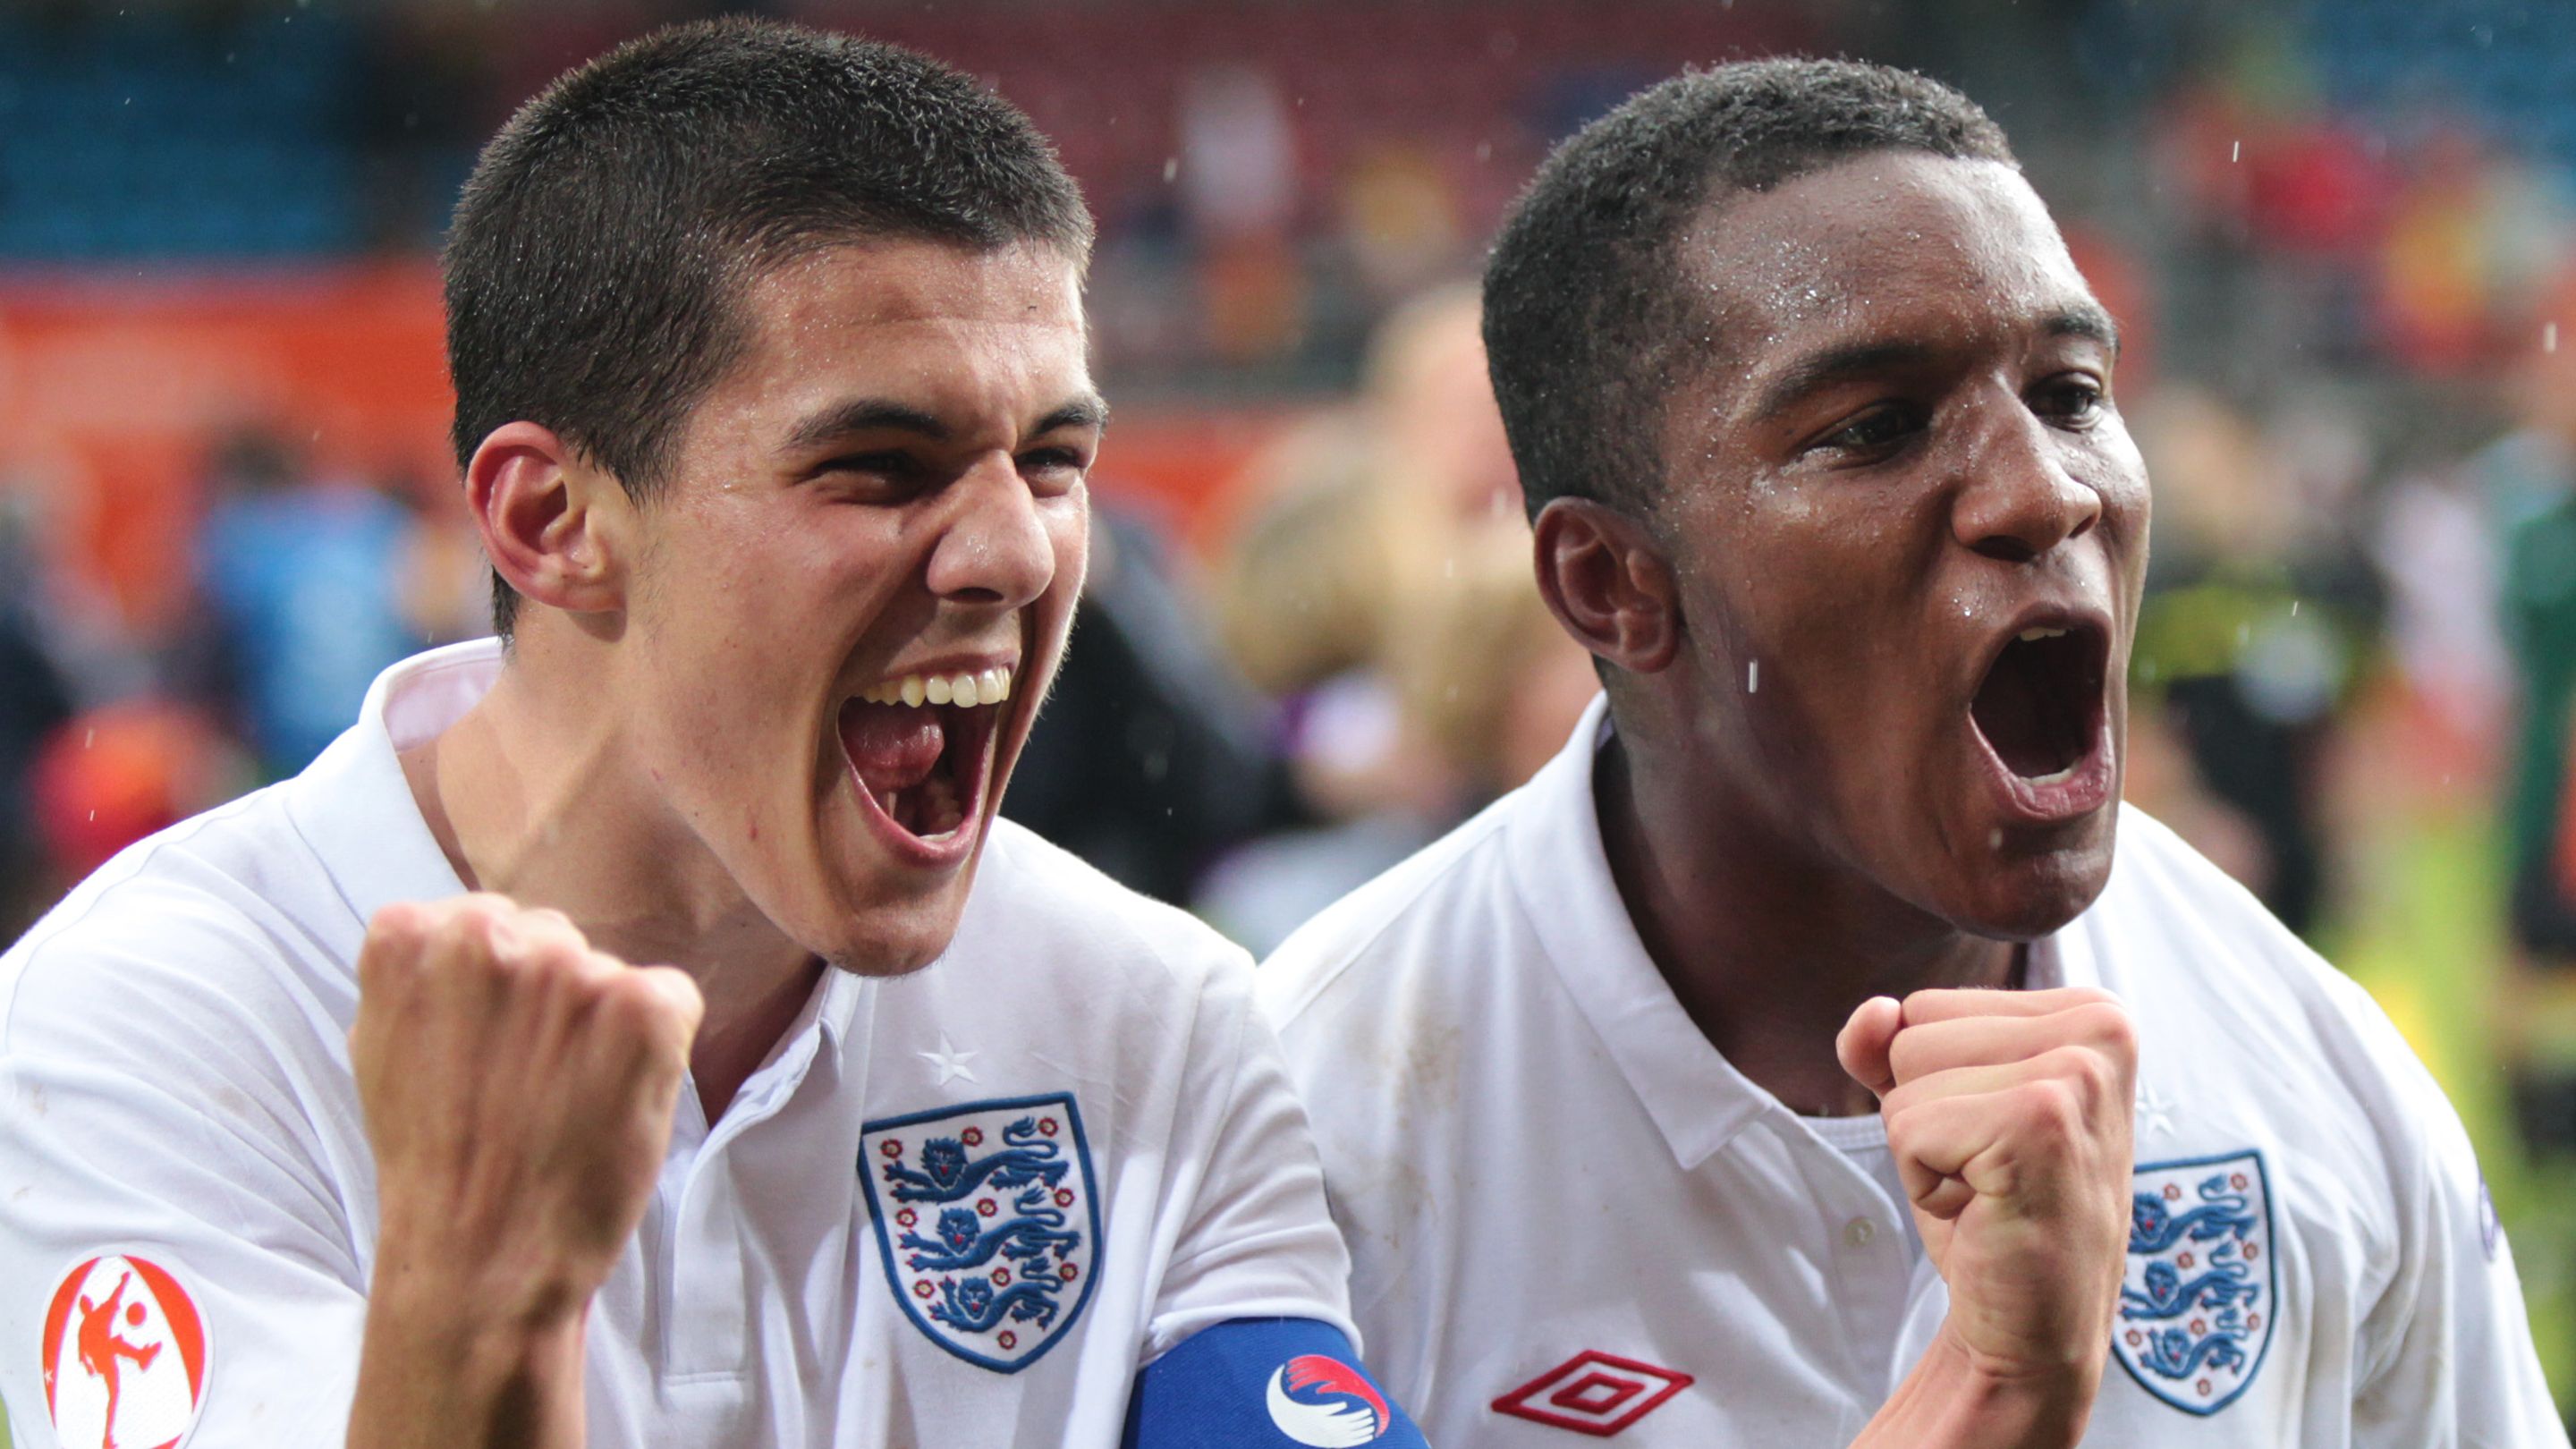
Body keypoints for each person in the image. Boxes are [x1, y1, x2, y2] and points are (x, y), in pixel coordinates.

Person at [0, 21, 1420, 1448]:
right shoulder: (148, 1031)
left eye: (1053, 461)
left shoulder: (1147, 1014)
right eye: (880, 465)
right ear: (552, 522)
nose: (1019, 553)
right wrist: (474, 1294)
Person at [1258, 58, 2567, 1448]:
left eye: (2070, 393)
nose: (2043, 491)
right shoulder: (1327, 1121)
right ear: (1612, 584)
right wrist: (1992, 1397)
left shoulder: (2307, 1078)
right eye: (1874, 428)